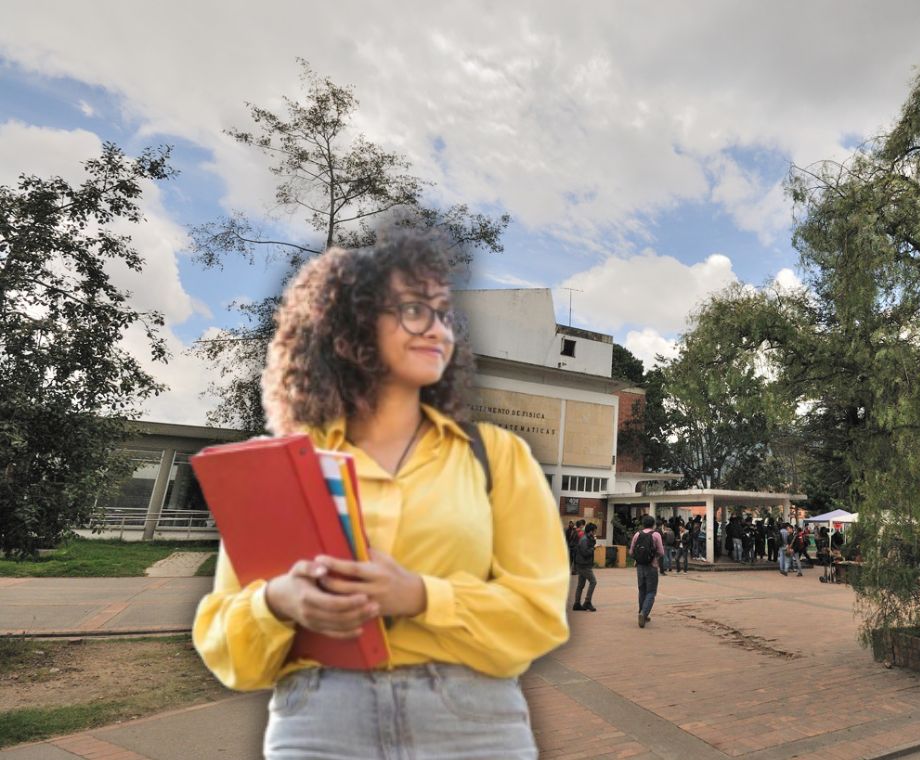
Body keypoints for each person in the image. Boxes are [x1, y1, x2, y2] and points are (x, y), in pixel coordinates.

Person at [192, 229, 569, 759]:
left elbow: (541, 614)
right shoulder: (285, 466)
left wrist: (419, 595)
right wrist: (278, 602)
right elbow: (228, 648)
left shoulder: (497, 456)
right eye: (415, 309)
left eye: (444, 314)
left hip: (473, 723)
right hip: (319, 723)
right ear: (348, 325)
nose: (438, 329)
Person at [630, 515, 664, 628]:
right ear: (653, 524)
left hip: (640, 567)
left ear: (643, 524)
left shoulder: (637, 534)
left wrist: (638, 558)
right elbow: (661, 552)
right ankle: (644, 613)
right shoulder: (656, 535)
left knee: (642, 590)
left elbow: (631, 552)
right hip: (652, 567)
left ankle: (642, 612)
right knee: (651, 592)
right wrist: (654, 557)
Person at [573, 522, 598, 611]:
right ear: (591, 531)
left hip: (582, 564)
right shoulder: (584, 540)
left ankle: (577, 603)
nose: (595, 533)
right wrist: (593, 549)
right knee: (593, 581)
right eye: (594, 531)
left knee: (581, 584)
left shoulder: (587, 538)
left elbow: (590, 546)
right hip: (584, 565)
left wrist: (593, 541)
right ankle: (587, 602)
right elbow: (585, 552)